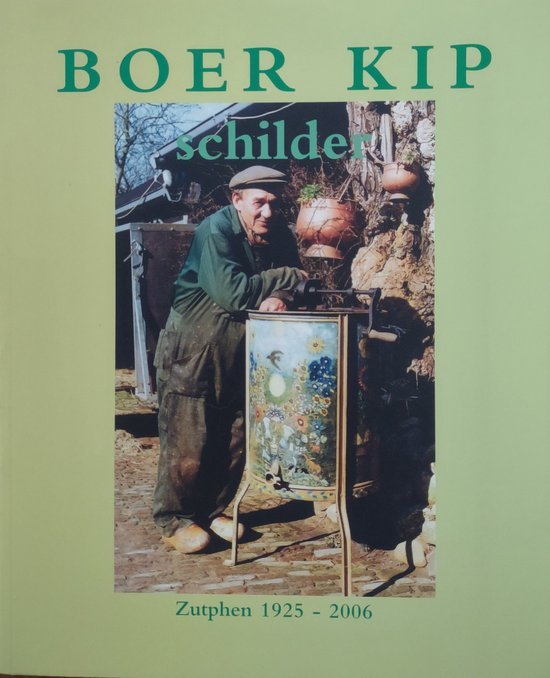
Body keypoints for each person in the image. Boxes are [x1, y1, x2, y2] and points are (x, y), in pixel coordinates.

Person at [152, 165, 306, 553]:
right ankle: (174, 519)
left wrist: (281, 296)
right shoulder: (215, 231)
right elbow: (234, 294)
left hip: (243, 350)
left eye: (275, 203)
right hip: (194, 350)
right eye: (259, 203)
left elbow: (297, 284)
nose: (268, 212)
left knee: (234, 436)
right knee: (189, 438)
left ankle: (212, 510)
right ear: (237, 200)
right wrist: (285, 277)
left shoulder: (279, 233)